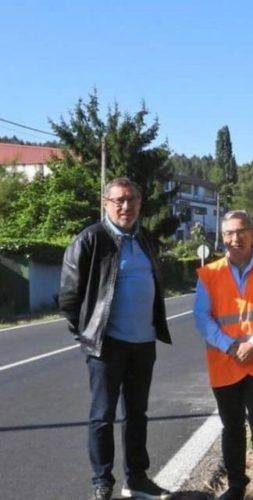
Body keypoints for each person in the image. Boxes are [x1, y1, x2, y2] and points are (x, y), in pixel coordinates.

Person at [59, 177, 172, 500]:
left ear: (140, 203)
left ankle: (136, 480)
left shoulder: (145, 238)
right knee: (103, 415)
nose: (126, 206)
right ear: (105, 203)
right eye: (119, 200)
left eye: (132, 199)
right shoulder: (91, 239)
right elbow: (69, 296)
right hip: (107, 345)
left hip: (144, 343)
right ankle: (102, 481)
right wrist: (89, 334)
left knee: (137, 415)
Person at [194, 210, 253, 500]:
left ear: (252, 233)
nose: (235, 238)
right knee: (232, 427)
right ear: (222, 237)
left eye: (241, 231)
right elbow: (202, 317)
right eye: (229, 233)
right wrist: (230, 346)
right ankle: (236, 486)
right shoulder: (209, 273)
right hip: (226, 361)